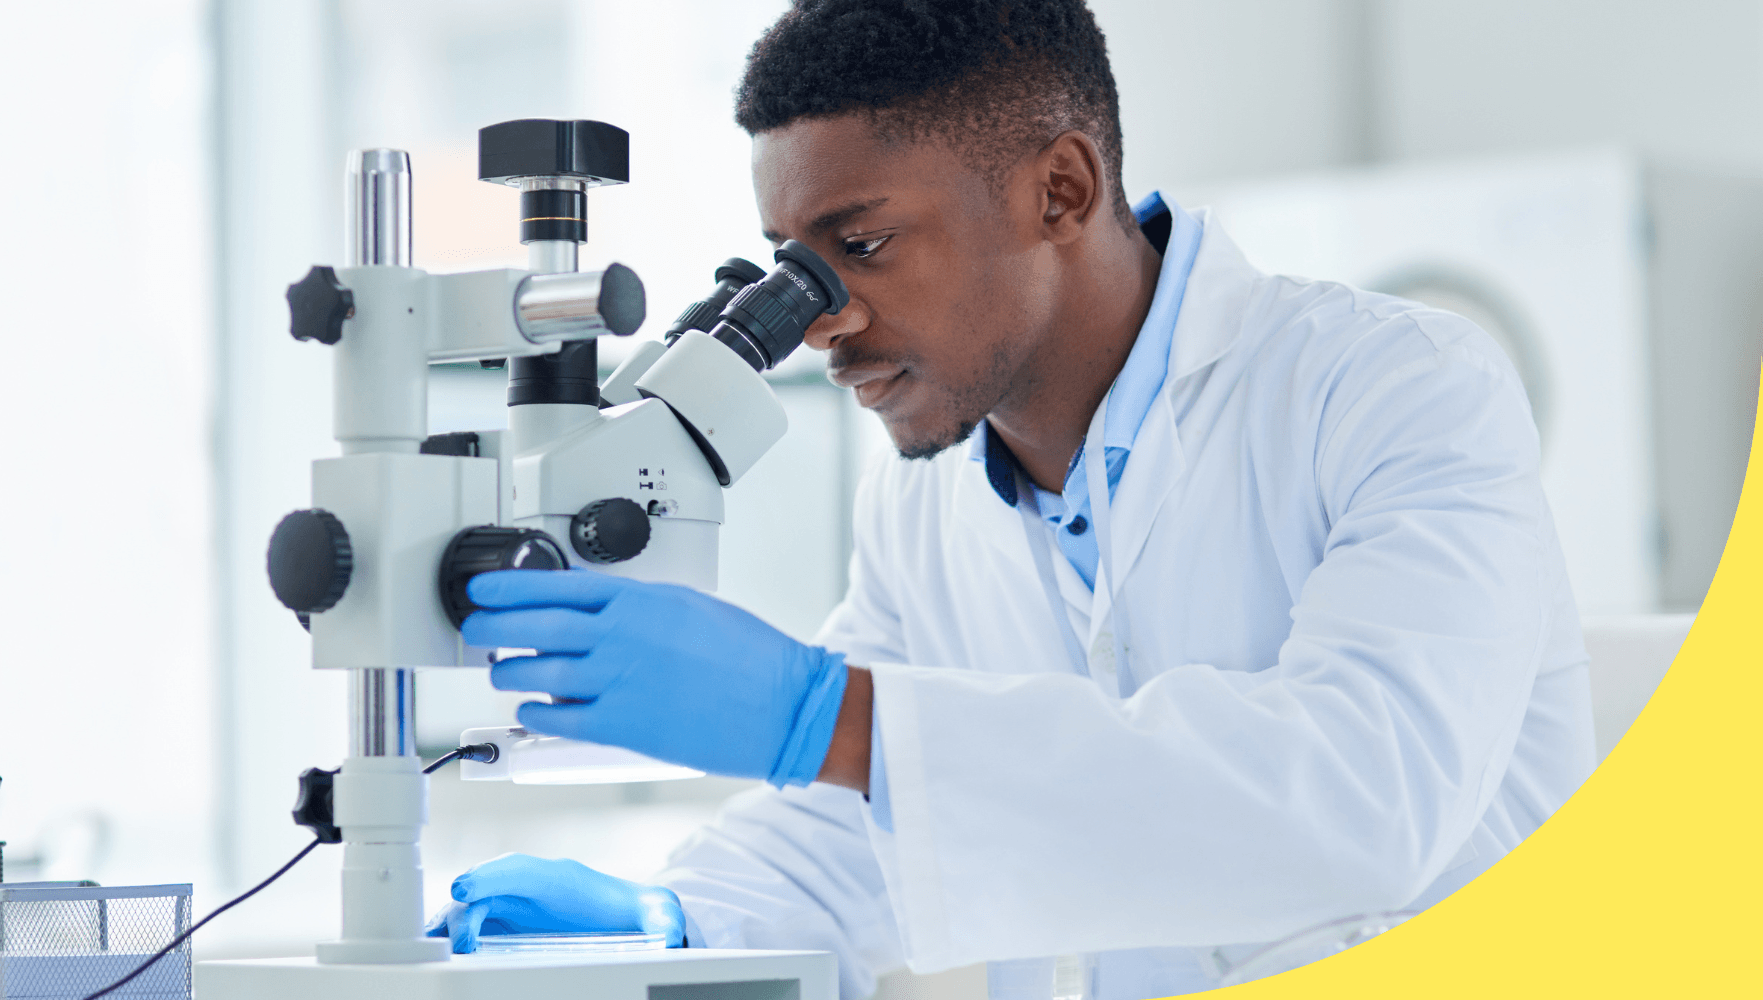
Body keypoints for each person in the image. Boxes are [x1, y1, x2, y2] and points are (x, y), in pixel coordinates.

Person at [431, 1, 1596, 997]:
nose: (822, 320)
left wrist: (824, 716)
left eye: (860, 244)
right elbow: (868, 823)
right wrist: (681, 913)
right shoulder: (918, 501)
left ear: (1059, 190)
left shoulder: (1398, 389)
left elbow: (1367, 793)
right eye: (791, 265)